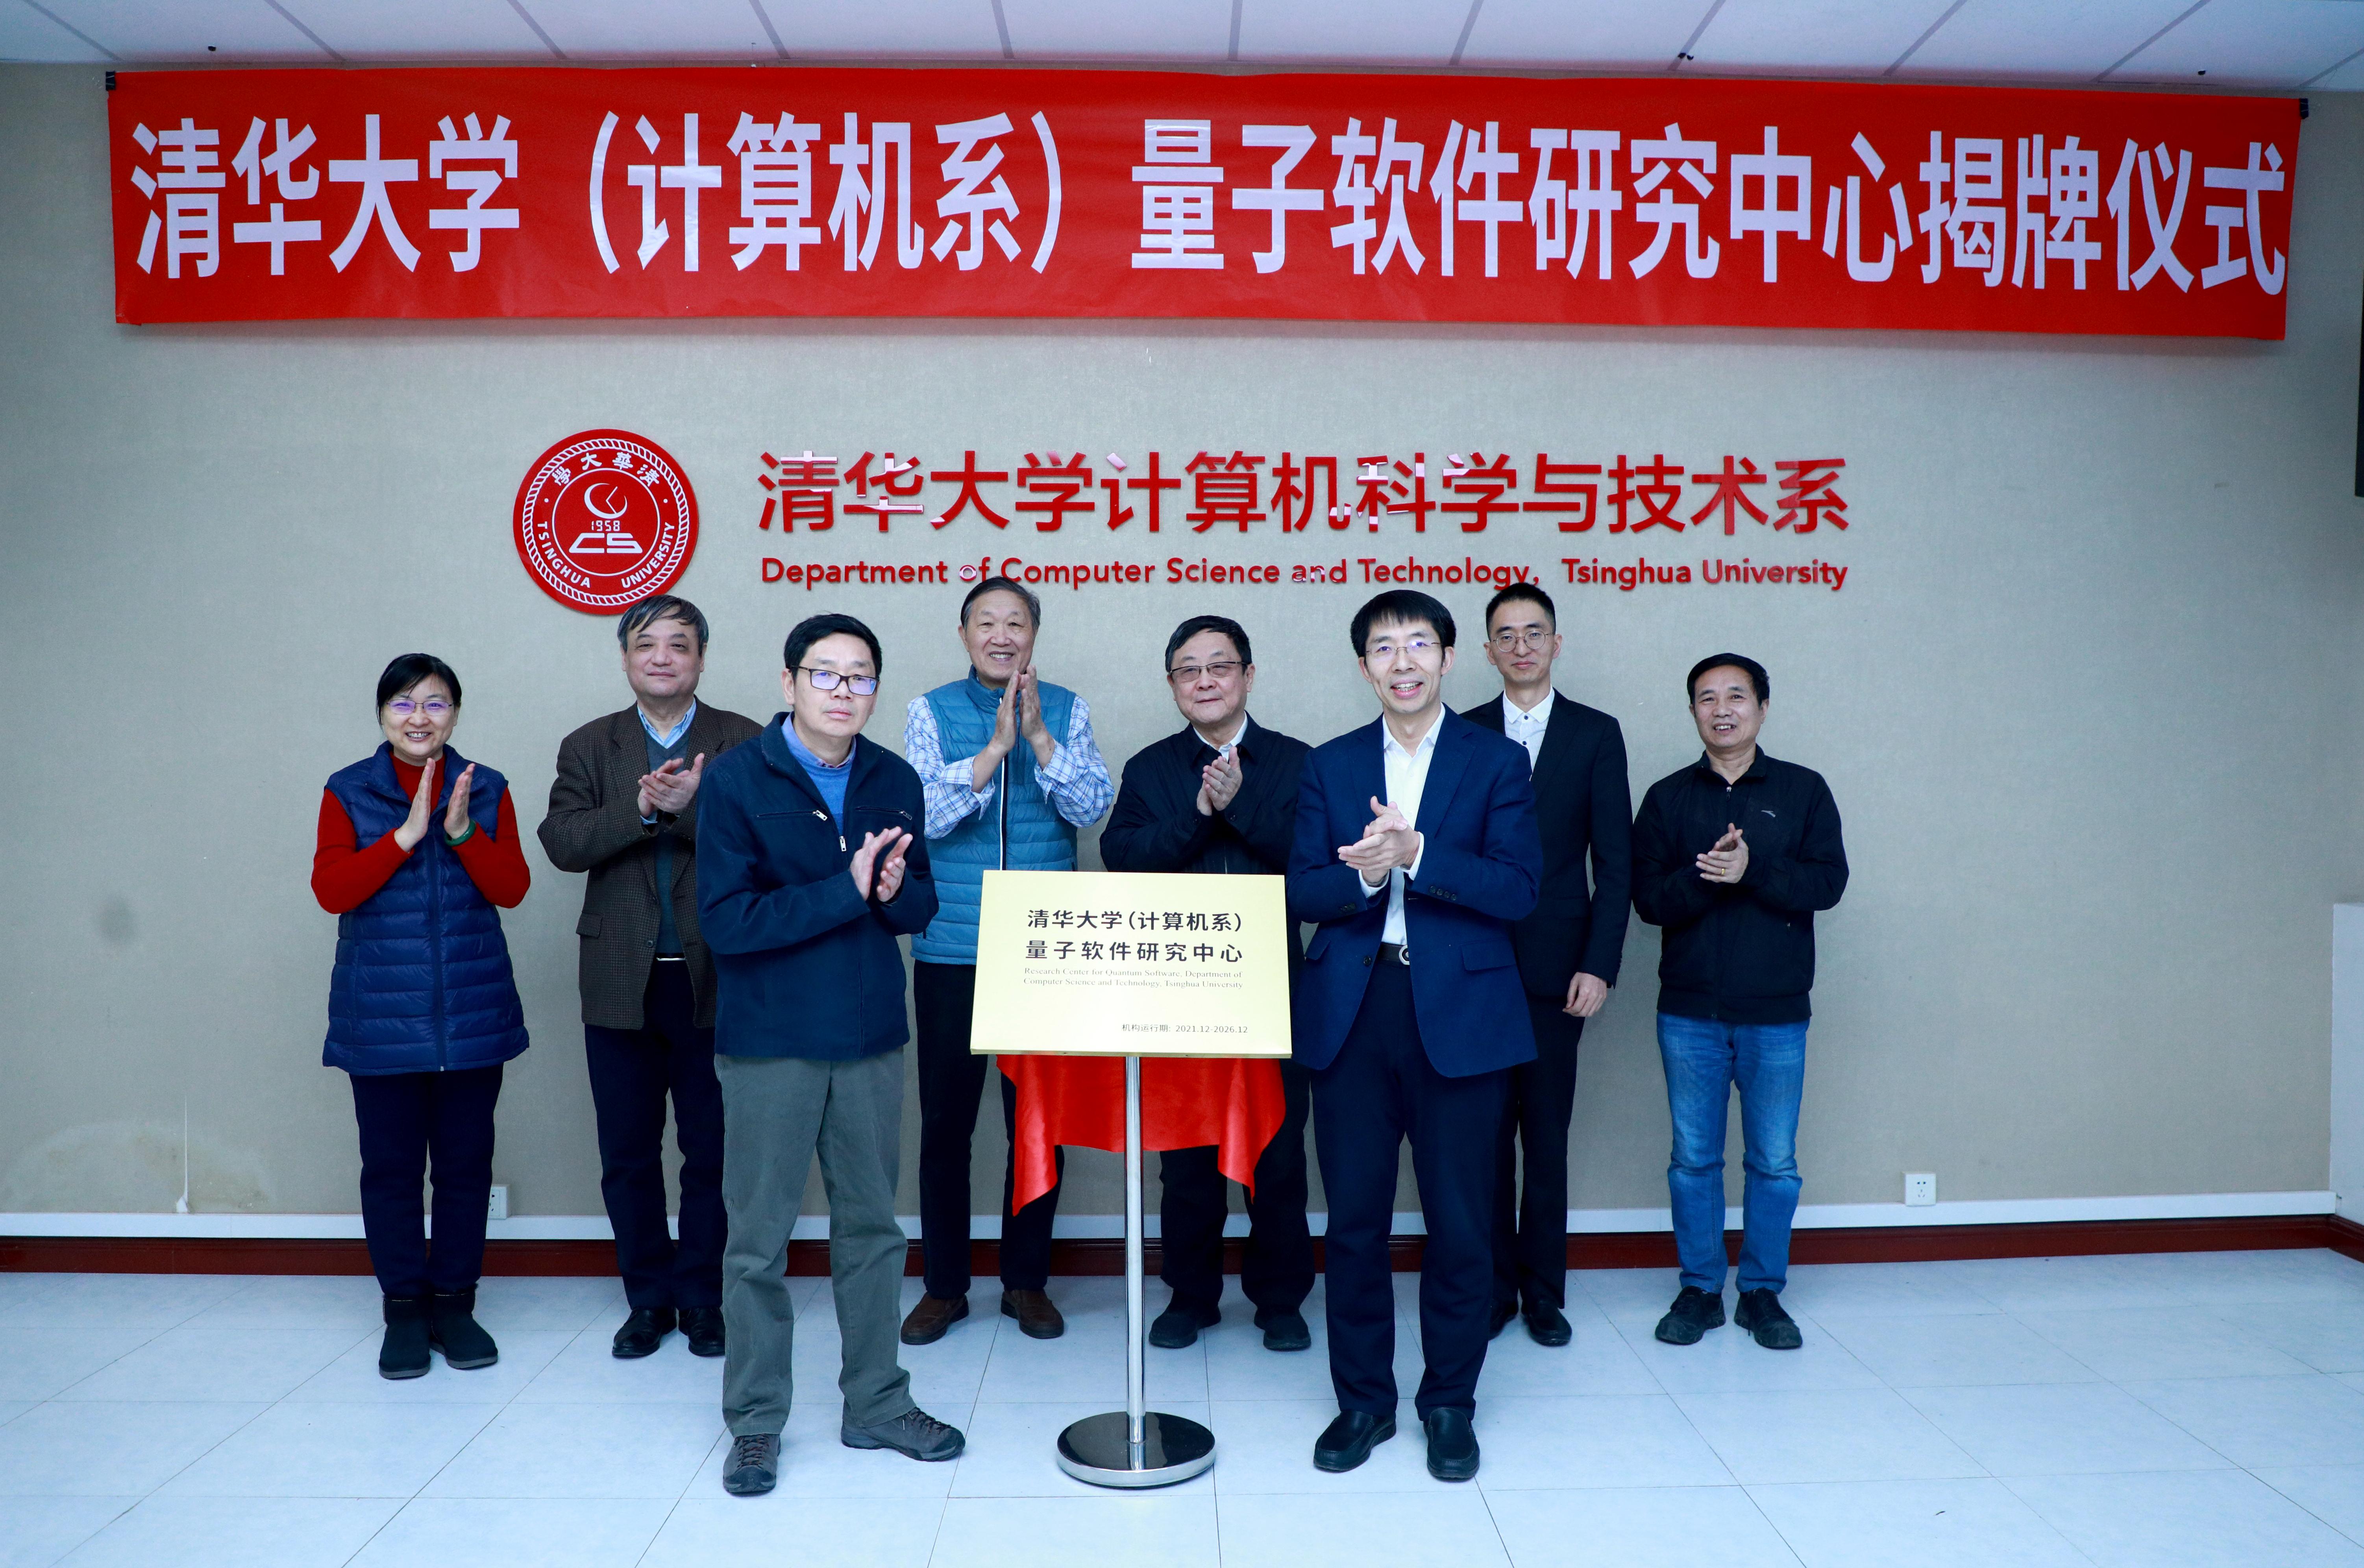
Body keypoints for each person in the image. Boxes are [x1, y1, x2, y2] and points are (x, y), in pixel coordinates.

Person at [696, 613, 964, 1498]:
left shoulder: (894, 777)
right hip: (771, 1043)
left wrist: (891, 892)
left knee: (874, 1234)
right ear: (789, 683)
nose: (843, 692)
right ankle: (756, 1423)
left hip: (869, 1038)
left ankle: (877, 1403)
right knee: (756, 1244)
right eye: (826, 674)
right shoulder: (737, 779)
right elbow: (727, 923)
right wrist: (846, 891)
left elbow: (919, 903)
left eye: (860, 678)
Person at [1287, 590, 1541, 1483]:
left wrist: (1419, 855)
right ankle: (1363, 1402)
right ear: (1364, 666)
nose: (1403, 662)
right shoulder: (1329, 764)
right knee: (1353, 1222)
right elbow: (1299, 889)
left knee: (1462, 1223)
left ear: (1448, 658)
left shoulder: (1496, 761)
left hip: (1461, 1014)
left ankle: (1449, 1404)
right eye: (1385, 648)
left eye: (1419, 645)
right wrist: (1363, 877)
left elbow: (1519, 890)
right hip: (1353, 1013)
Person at [538, 595, 762, 1361]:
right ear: (626, 659)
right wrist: (638, 808)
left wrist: (693, 808)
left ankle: (702, 1297)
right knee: (628, 1152)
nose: (662, 657)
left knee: (712, 1149)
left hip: (717, 977)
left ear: (701, 658)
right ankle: (647, 1299)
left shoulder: (743, 740)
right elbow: (563, 843)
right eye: (646, 645)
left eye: (678, 644)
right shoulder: (588, 745)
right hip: (618, 975)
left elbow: (769, 846)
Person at [898, 577, 1115, 1346]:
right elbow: (923, 816)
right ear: (964, 635)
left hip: (1043, 951)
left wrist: (1040, 739)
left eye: (1015, 623)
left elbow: (1091, 807)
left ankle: (1026, 1282)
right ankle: (945, 1287)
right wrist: (994, 750)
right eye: (986, 623)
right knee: (945, 1127)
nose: (1001, 635)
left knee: (1036, 1127)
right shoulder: (928, 711)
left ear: (1033, 635)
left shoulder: (1068, 708)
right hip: (952, 947)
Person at [311, 653, 530, 1380]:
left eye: (435, 704)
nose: (418, 717)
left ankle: (456, 1305)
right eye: (403, 703)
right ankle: (404, 1309)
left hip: (472, 1014)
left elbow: (512, 888)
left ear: (455, 715)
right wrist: (405, 836)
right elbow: (333, 890)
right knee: (392, 1171)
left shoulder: (487, 787)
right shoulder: (348, 790)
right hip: (380, 1019)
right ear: (382, 715)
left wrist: (462, 832)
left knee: (466, 1169)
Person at [1101, 614, 1315, 1354]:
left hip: (1274, 991)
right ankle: (1190, 1297)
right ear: (1172, 686)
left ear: (1247, 676)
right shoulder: (1152, 768)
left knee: (1276, 1156)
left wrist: (1241, 806)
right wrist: (1197, 814)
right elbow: (1121, 856)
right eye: (1187, 670)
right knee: (1187, 1158)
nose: (1204, 681)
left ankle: (1280, 1301)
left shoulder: (1295, 762)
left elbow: (1316, 861)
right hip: (1178, 994)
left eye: (1219, 666)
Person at [1631, 654, 1848, 1352]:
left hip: (1776, 1013)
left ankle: (1760, 1292)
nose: (1721, 709)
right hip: (1688, 1012)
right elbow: (1646, 900)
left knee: (1774, 1162)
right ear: (1692, 711)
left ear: (1761, 706)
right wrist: (1708, 876)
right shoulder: (1667, 798)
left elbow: (1828, 884)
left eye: (1735, 696)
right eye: (1706, 698)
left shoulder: (1803, 790)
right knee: (1693, 1160)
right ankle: (1700, 1289)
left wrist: (1754, 871)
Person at [1460, 584, 1631, 1348]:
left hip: (1561, 970)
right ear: (1487, 651)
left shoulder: (1596, 734)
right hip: (1476, 966)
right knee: (1483, 1138)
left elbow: (1615, 864)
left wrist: (1600, 965)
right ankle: (1492, 1288)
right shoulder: (1462, 730)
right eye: (1506, 635)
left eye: (1535, 633)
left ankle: (1543, 1293)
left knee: (1546, 1137)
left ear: (1556, 644)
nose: (1521, 646)